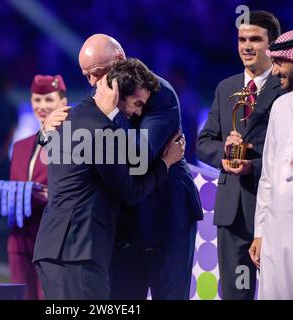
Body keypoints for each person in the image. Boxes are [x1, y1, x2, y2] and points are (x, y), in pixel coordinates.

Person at [44, 34, 202, 299]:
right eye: (86, 76)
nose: (93, 82)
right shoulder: (104, 94)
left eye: (96, 72)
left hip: (167, 218)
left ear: (118, 60)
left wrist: (111, 116)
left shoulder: (158, 93)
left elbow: (137, 158)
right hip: (125, 225)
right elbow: (76, 132)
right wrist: (46, 133)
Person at [196, 11, 284, 299]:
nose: (247, 46)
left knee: (279, 290)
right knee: (237, 292)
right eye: (242, 39)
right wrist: (223, 152)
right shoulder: (227, 87)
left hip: (273, 210)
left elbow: (291, 154)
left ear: (272, 44)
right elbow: (204, 142)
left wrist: (253, 166)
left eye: (255, 39)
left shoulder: (286, 88)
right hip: (232, 213)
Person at [249, 29, 293, 299]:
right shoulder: (280, 107)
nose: (274, 71)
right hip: (275, 232)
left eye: (279, 63)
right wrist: (260, 231)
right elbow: (269, 176)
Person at [8, 74, 68, 300]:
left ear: (63, 103)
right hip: (20, 239)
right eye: (37, 100)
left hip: (55, 239)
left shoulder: (73, 142)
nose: (42, 106)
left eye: (48, 100)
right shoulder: (20, 146)